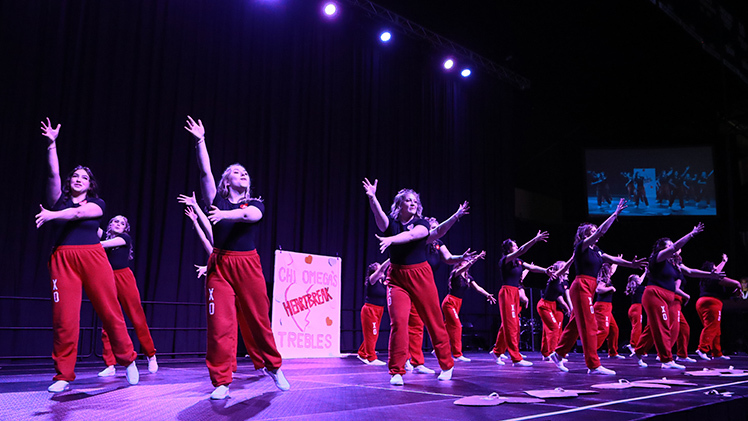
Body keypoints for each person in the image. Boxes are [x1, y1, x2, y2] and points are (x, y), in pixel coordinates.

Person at [184, 116, 288, 400]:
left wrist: (224, 215)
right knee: (220, 324)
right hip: (219, 264)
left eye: (245, 173)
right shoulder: (216, 200)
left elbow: (249, 215)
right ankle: (221, 381)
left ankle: (274, 366)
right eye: (236, 172)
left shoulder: (254, 202)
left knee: (257, 319)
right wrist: (200, 140)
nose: (243, 175)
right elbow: (205, 172)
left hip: (247, 264)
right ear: (226, 181)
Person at [36, 118, 138, 393]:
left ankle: (127, 359)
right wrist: (51, 144)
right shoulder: (59, 199)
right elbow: (52, 174)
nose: (78, 179)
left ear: (90, 184)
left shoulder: (97, 204)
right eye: (75, 176)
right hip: (63, 259)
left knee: (109, 310)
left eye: (84, 177)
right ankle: (63, 374)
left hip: (93, 257)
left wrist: (53, 215)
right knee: (65, 318)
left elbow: (80, 213)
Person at [362, 178, 463, 386]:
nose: (413, 203)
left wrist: (391, 240)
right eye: (408, 201)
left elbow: (413, 236)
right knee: (399, 322)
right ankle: (396, 370)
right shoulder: (392, 224)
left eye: (415, 201)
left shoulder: (422, 223)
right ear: (400, 205)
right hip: (397, 277)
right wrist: (372, 198)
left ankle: (446, 364)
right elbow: (379, 217)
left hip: (420, 275)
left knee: (433, 320)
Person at [549, 199, 646, 375]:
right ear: (586, 235)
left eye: (594, 231)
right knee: (590, 325)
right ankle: (593, 365)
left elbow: (613, 259)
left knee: (575, 325)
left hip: (589, 287)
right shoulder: (582, 246)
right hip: (581, 285)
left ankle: (558, 354)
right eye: (591, 232)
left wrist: (630, 265)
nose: (595, 233)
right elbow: (601, 231)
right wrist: (614, 214)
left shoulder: (597, 250)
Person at [179, 193, 266, 376]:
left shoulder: (235, 236)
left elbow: (213, 229)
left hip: (241, 276)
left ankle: (261, 363)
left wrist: (196, 211)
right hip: (222, 278)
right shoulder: (219, 243)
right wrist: (195, 213)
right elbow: (208, 236)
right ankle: (229, 368)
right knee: (226, 326)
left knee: (249, 324)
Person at [632, 223, 724, 369]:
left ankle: (638, 352)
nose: (672, 247)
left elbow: (691, 272)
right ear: (663, 248)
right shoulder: (659, 257)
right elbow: (674, 248)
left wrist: (711, 274)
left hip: (667, 298)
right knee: (663, 327)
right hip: (655, 295)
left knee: (653, 328)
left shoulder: (673, 263)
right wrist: (691, 234)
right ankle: (666, 360)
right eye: (669, 245)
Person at [406, 216, 476, 374]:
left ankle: (418, 362)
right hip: (412, 279)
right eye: (435, 227)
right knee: (410, 322)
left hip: (426, 282)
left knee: (425, 323)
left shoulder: (438, 244)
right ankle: (408, 359)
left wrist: (462, 258)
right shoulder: (419, 239)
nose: (438, 230)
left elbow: (449, 258)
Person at [97, 216, 158, 377]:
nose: (118, 224)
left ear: (125, 228)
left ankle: (151, 355)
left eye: (122, 223)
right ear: (110, 224)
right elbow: (89, 226)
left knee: (137, 317)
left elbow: (103, 244)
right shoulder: (103, 235)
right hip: (107, 279)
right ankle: (110, 365)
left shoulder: (124, 238)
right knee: (108, 321)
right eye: (115, 221)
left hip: (124, 278)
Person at [490, 231, 551, 367]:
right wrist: (535, 239)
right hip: (507, 292)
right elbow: (522, 250)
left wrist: (545, 270)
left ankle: (497, 351)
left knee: (510, 324)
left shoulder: (519, 262)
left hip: (515, 292)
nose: (516, 246)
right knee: (510, 325)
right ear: (508, 249)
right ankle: (516, 358)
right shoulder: (505, 260)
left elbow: (532, 267)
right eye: (514, 245)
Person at [442, 251, 494, 362]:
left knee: (448, 327)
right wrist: (477, 258)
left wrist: (487, 295)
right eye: (464, 261)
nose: (466, 263)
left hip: (458, 303)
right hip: (449, 302)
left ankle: (440, 348)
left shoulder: (468, 277)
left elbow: (478, 288)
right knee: (457, 326)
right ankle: (457, 354)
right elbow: (468, 265)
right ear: (459, 263)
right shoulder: (456, 272)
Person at [695, 254, 741, 360]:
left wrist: (724, 261)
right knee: (711, 327)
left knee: (715, 329)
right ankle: (702, 349)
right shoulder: (713, 277)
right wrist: (738, 285)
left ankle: (717, 352)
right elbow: (733, 282)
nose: (717, 268)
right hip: (711, 303)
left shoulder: (706, 279)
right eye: (714, 267)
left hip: (702, 302)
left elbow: (718, 272)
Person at [537, 260, 572, 361]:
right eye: (564, 267)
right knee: (554, 328)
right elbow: (559, 297)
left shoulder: (563, 281)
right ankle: (553, 353)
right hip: (544, 305)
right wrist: (573, 258)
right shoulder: (555, 278)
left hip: (551, 305)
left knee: (547, 330)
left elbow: (564, 295)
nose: (567, 269)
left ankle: (546, 353)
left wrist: (570, 307)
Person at [357, 260, 390, 366]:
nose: (382, 271)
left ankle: (362, 353)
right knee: (372, 334)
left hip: (379, 310)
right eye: (379, 269)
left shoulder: (382, 282)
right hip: (370, 310)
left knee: (372, 335)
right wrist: (391, 259)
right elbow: (382, 270)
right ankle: (371, 358)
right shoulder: (372, 280)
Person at [594, 262, 624, 359]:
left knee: (614, 329)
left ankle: (613, 352)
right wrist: (611, 288)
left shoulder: (606, 277)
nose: (612, 271)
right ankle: (591, 351)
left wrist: (617, 261)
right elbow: (598, 289)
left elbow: (613, 270)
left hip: (607, 307)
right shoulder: (603, 279)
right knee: (603, 331)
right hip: (602, 307)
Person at [624, 271, 646, 356]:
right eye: (638, 278)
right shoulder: (640, 288)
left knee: (635, 327)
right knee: (637, 328)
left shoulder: (634, 288)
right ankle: (633, 346)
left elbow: (641, 279)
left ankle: (633, 344)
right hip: (637, 308)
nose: (640, 279)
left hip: (632, 308)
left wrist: (645, 272)